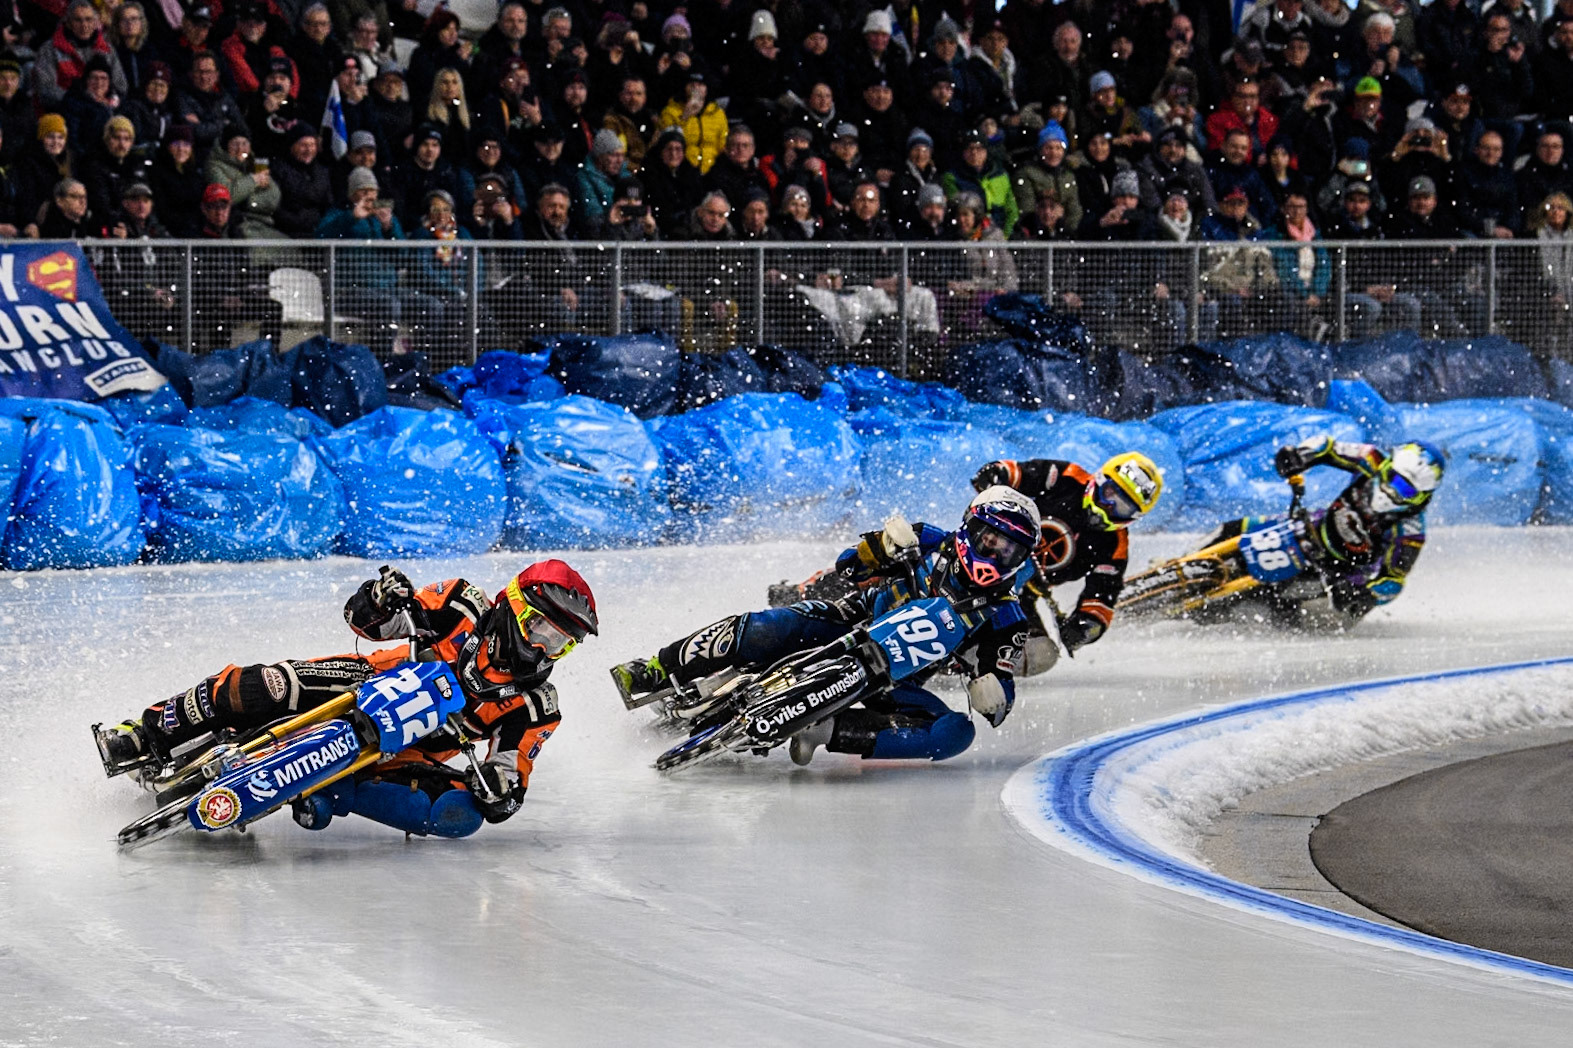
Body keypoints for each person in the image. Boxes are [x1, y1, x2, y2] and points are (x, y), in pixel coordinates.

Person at [96, 561, 599, 840]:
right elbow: (368, 622)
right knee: (265, 685)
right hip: (364, 683)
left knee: (459, 813)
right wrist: (381, 597)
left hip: (405, 750)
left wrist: (497, 793)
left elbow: (511, 783)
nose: (540, 649)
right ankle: (146, 731)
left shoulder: (537, 705)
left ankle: (331, 790)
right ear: (512, 607)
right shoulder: (461, 603)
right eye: (538, 630)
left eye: (559, 644)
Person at [611, 487, 1044, 766]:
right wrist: (880, 548)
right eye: (990, 539)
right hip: (853, 618)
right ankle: (659, 667)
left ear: (1021, 559)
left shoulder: (1008, 618)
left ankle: (824, 730)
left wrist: (993, 694)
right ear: (971, 527)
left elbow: (1001, 690)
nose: (995, 553)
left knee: (955, 734)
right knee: (767, 627)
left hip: (893, 677)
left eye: (1008, 550)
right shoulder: (929, 538)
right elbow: (848, 568)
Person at [1202, 438, 1445, 621]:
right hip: (1313, 527)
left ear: (1421, 497)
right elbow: (1328, 447)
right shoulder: (1371, 458)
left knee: (1297, 613)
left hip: (1342, 573)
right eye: (1393, 478)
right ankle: (1182, 561)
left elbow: (1393, 580)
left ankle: (1227, 617)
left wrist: (1367, 596)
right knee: (1233, 528)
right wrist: (1299, 456)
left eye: (1406, 490)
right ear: (1387, 465)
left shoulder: (1411, 530)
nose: (1392, 491)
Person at [969, 454, 1162, 672]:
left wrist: (1084, 628)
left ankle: (971, 665)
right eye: (1110, 494)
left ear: (1133, 516)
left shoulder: (1115, 545)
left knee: (1042, 653)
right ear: (1098, 480)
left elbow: (1101, 599)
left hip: (1021, 596)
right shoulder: (1067, 477)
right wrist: (996, 475)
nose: (1108, 507)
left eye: (1122, 507)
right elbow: (1017, 474)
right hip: (981, 554)